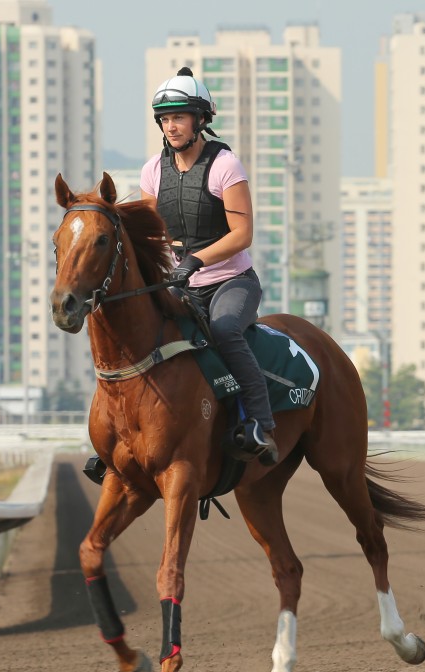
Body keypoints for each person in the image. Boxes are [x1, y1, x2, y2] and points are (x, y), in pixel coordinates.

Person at [140, 67, 278, 465]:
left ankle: (260, 423)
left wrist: (196, 260)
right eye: (165, 120)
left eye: (179, 117)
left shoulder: (225, 165)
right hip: (180, 285)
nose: (171, 126)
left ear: (201, 120)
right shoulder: (152, 170)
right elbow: (150, 234)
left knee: (224, 329)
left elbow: (242, 233)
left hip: (230, 283)